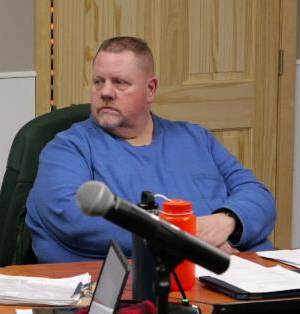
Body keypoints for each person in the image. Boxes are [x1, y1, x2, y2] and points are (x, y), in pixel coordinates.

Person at [26, 36, 276, 263]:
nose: (105, 92)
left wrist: (226, 220)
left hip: (243, 276)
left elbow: (258, 195)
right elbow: (74, 218)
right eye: (98, 82)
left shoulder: (195, 138)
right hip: (135, 287)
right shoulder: (67, 149)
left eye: (120, 83)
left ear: (150, 89)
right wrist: (190, 236)